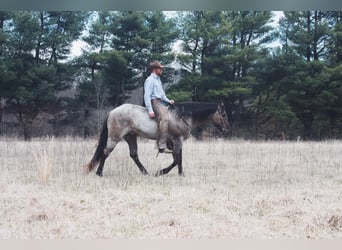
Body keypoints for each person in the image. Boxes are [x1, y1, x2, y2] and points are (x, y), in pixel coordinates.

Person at [144, 61, 174, 154]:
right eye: (160, 68)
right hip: (155, 102)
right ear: (155, 69)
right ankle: (161, 146)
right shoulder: (150, 80)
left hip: (161, 102)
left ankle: (169, 141)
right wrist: (150, 110)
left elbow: (162, 94)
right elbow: (147, 96)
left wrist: (168, 101)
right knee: (165, 119)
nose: (162, 70)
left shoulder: (158, 80)